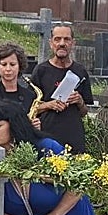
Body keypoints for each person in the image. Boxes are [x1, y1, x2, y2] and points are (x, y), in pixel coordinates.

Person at [30, 23, 91, 154]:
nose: (62, 43)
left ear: (73, 43)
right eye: (57, 39)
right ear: (51, 43)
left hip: (74, 138)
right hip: (47, 137)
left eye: (67, 39)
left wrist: (80, 101)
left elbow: (85, 112)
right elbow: (30, 108)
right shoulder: (41, 71)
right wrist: (49, 105)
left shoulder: (80, 71)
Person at [0, 43, 38, 132]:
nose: (8, 69)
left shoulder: (29, 96)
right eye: (4, 64)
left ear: (20, 66)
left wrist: (36, 128)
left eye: (12, 64)